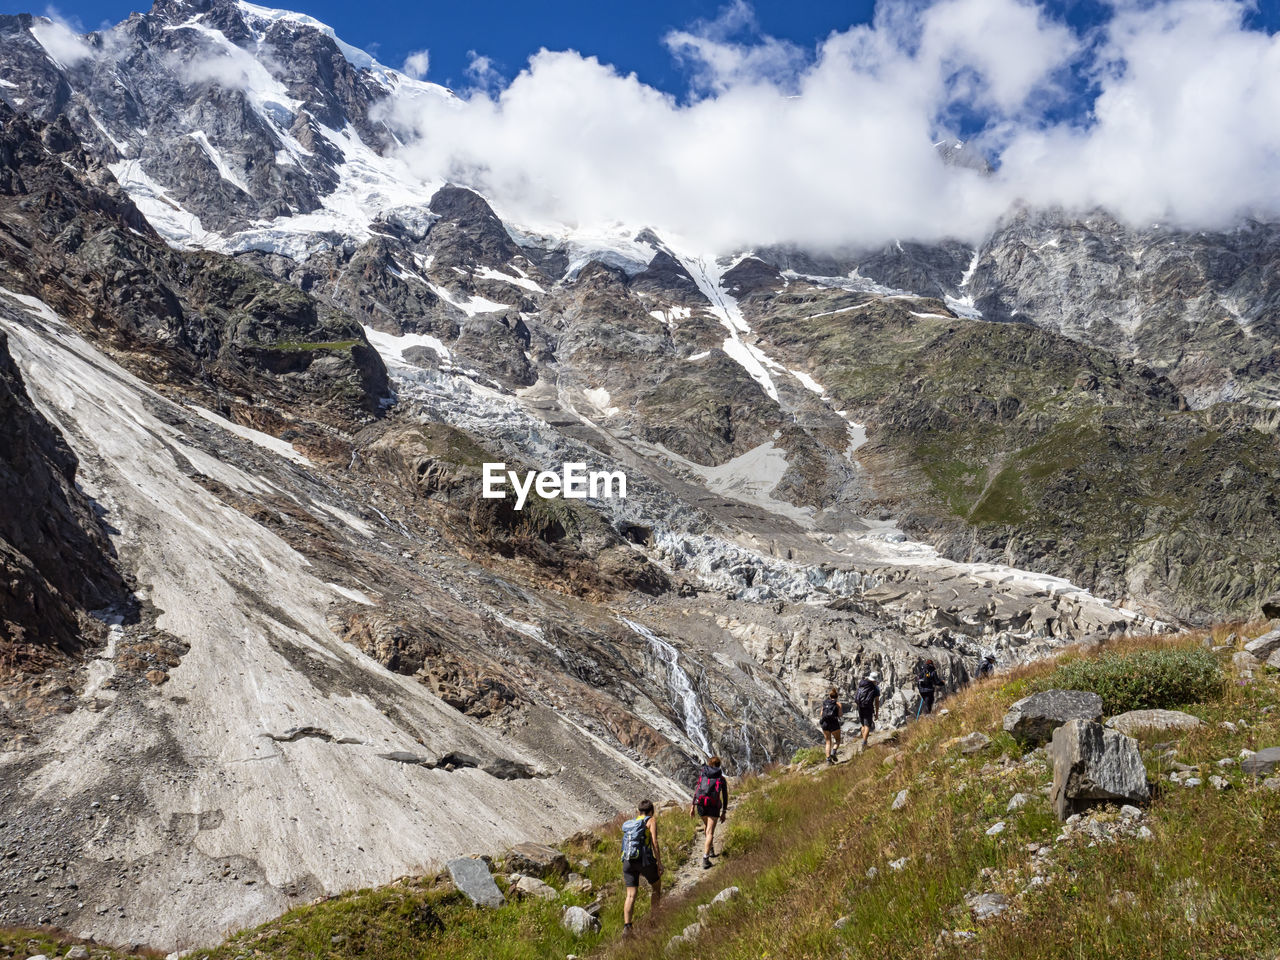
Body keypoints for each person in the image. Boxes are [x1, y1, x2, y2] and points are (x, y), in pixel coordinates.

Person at [621, 799, 663, 935]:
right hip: (644, 860)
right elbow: (654, 842)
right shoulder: (651, 821)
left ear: (639, 811)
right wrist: (659, 863)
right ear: (651, 811)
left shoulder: (632, 822)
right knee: (656, 887)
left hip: (628, 860)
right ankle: (654, 919)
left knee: (630, 895)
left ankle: (627, 927)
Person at [690, 756, 729, 869]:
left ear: (709, 764)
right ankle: (706, 859)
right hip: (713, 806)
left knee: (707, 827)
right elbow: (725, 796)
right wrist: (724, 811)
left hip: (701, 805)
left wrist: (692, 806)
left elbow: (697, 790)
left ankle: (710, 848)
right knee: (710, 832)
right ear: (718, 765)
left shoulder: (703, 775)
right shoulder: (721, 779)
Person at [854, 671, 881, 750]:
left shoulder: (862, 684)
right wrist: (876, 713)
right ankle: (864, 743)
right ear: (875, 680)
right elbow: (876, 701)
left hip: (860, 706)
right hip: (868, 707)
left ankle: (864, 741)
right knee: (867, 726)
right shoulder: (875, 688)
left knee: (863, 725)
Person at [819, 686, 844, 763]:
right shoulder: (838, 704)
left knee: (828, 741)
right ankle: (833, 752)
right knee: (838, 740)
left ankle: (828, 759)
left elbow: (821, 714)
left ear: (829, 696)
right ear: (837, 697)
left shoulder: (825, 703)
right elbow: (840, 715)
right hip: (834, 723)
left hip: (825, 724)